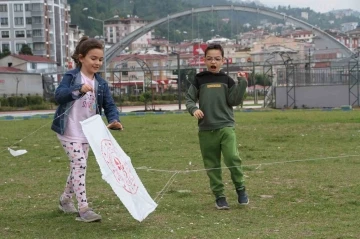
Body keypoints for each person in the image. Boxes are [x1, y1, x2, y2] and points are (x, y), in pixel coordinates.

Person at [51, 36, 123, 222]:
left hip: (88, 132)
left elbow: (110, 105)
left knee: (78, 166)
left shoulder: (101, 84)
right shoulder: (71, 76)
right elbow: (59, 95)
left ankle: (65, 200)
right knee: (80, 164)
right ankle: (84, 209)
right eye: (93, 58)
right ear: (81, 57)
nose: (97, 62)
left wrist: (114, 120)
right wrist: (78, 89)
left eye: (100, 59)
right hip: (68, 130)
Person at [185, 43, 249, 210]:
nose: (213, 61)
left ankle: (241, 189)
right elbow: (189, 99)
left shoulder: (227, 80)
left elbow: (234, 101)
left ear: (223, 61)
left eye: (217, 59)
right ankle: (220, 196)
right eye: (210, 58)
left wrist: (242, 83)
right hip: (206, 130)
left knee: (232, 158)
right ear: (204, 60)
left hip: (226, 127)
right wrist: (194, 109)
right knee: (212, 164)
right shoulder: (199, 79)